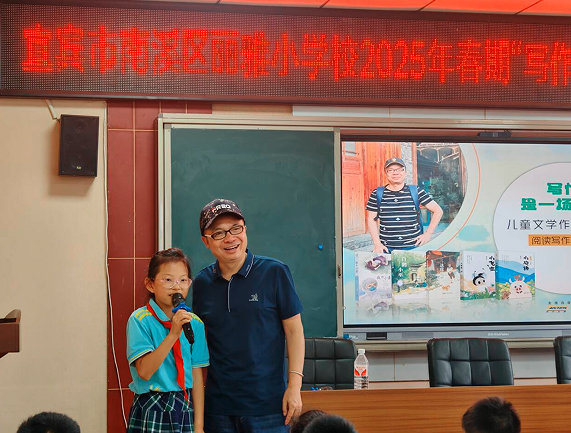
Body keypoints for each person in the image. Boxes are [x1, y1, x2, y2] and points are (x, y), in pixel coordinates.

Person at [192, 198, 305, 433]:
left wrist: (294, 387)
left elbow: (294, 331)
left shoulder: (274, 272)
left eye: (236, 228)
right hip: (218, 410)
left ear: (245, 230)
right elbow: (200, 346)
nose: (230, 238)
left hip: (270, 408)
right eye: (219, 233)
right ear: (206, 241)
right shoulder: (202, 283)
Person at [126, 248, 209, 433]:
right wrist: (173, 334)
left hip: (184, 403)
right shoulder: (140, 320)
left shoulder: (194, 323)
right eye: (168, 280)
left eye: (183, 280)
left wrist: (199, 426)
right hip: (151, 404)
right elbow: (144, 372)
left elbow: (196, 376)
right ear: (150, 284)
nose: (177, 287)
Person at [366, 157, 443, 253]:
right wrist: (377, 244)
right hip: (386, 249)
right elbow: (371, 219)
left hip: (413, 248)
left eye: (399, 169)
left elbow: (438, 211)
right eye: (391, 170)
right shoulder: (377, 193)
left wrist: (428, 233)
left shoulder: (416, 191)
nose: (395, 173)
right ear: (385, 173)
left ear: (405, 172)